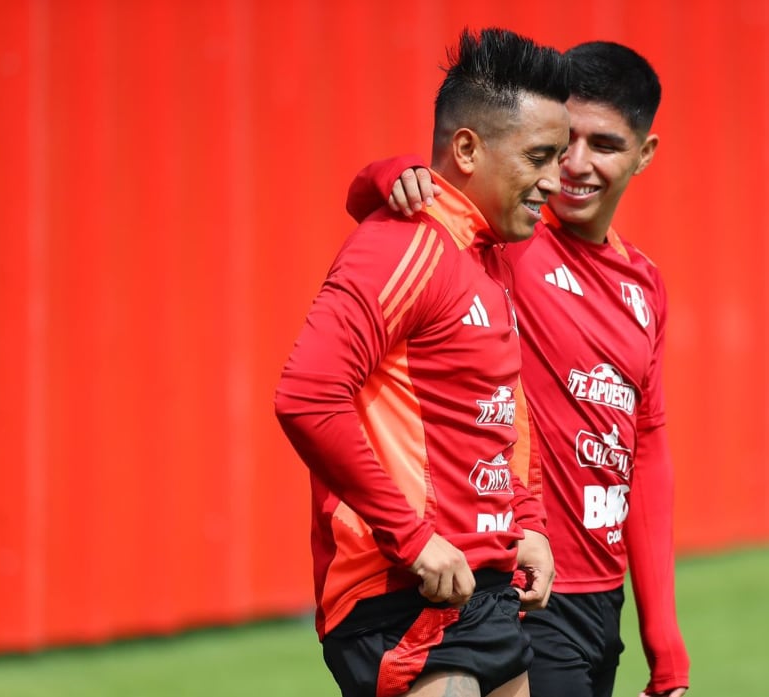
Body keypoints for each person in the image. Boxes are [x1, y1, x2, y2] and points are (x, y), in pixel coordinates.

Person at [349, 42, 689, 697]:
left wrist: (666, 647)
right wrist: (388, 174)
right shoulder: (511, 241)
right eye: (565, 144)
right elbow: (399, 210)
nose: (577, 166)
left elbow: (646, 454)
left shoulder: (645, 286)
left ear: (644, 154)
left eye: (606, 144)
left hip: (600, 603)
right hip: (524, 588)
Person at [274, 27, 570, 697]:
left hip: (484, 585)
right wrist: (411, 537)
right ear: (467, 148)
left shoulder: (489, 258)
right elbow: (306, 395)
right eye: (539, 156)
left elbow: (503, 414)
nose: (554, 179)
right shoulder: (401, 242)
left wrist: (528, 525)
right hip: (401, 589)